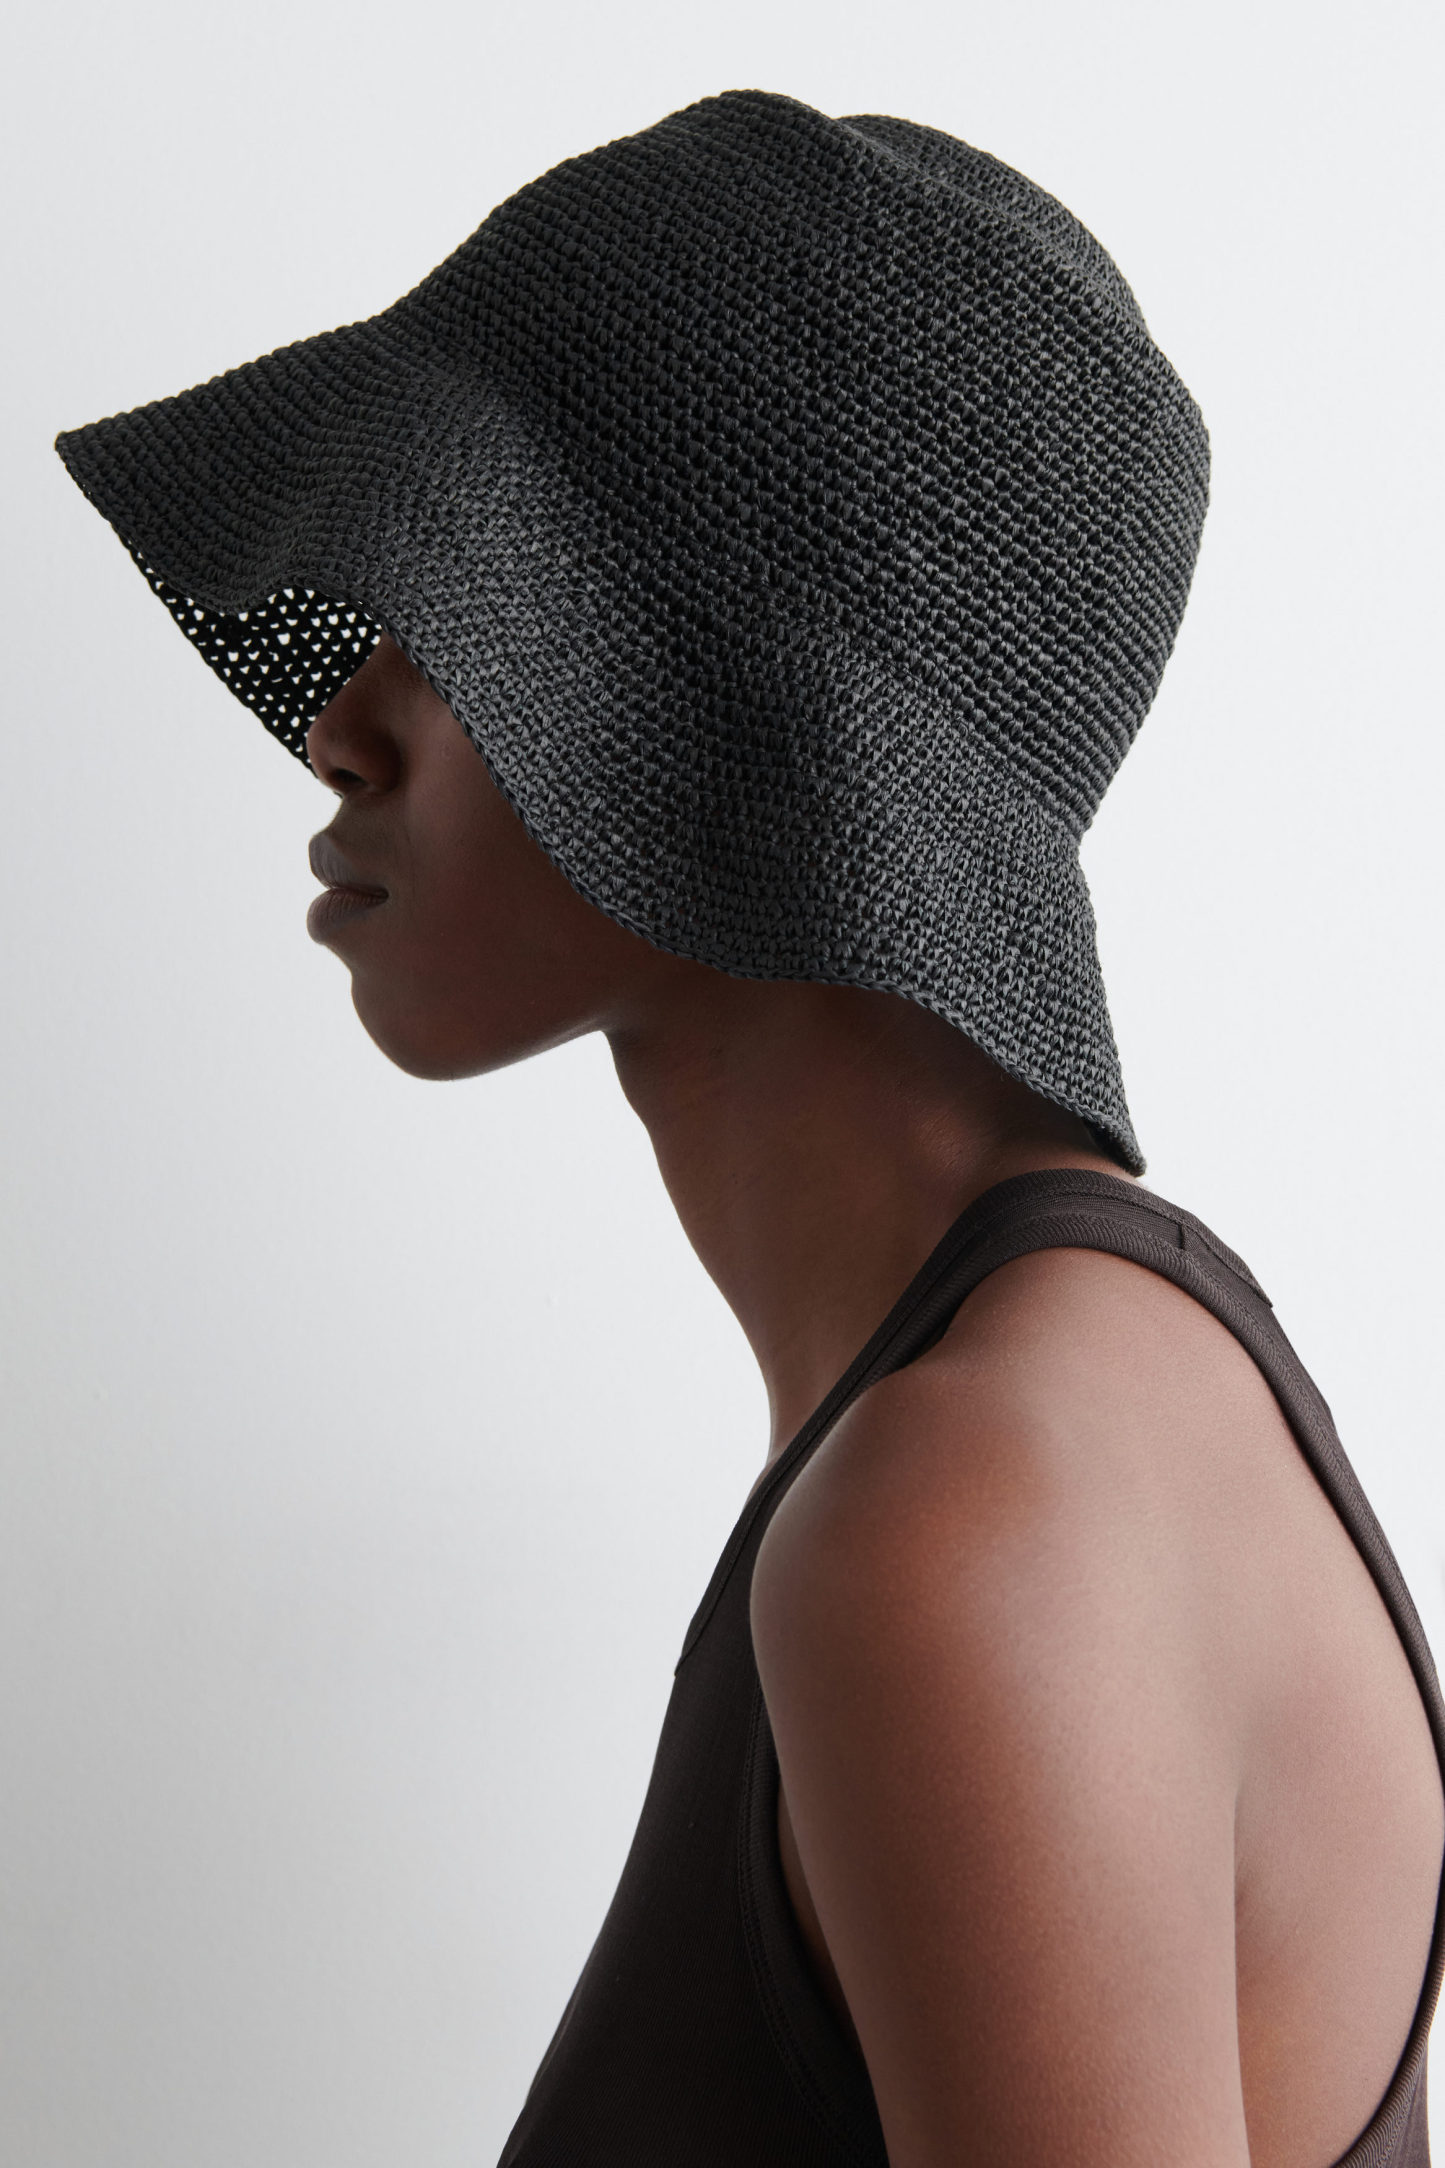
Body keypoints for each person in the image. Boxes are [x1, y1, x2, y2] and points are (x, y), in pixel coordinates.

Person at [56, 89, 1443, 2168]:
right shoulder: (1069, 1414)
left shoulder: (971, 1513)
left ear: (715, 718)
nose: (340, 719)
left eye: (468, 606)